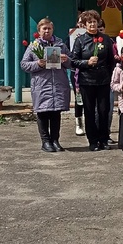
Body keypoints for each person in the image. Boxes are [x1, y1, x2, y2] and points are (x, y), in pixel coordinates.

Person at [20, 18, 71, 152]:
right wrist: (38, 64)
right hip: (42, 85)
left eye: (49, 28)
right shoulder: (33, 46)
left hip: (58, 84)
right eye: (44, 29)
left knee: (56, 113)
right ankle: (45, 141)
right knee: (43, 113)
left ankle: (55, 140)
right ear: (39, 31)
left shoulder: (60, 45)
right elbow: (24, 64)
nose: (47, 31)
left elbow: (71, 63)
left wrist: (66, 60)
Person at [69, 9, 115, 151]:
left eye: (95, 22)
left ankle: (104, 138)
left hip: (103, 80)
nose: (92, 25)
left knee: (103, 110)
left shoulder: (106, 39)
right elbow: (73, 61)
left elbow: (111, 61)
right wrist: (87, 63)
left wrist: (107, 74)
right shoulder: (80, 40)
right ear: (84, 25)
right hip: (87, 81)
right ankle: (93, 140)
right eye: (89, 22)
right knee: (89, 111)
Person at [69, 13, 87, 137]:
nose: (81, 24)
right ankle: (79, 122)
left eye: (83, 22)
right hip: (76, 72)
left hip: (89, 72)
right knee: (79, 99)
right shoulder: (72, 35)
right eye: (79, 22)